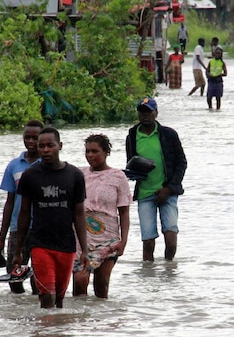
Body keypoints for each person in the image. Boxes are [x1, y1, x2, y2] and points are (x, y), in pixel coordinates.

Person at [13, 127, 89, 309]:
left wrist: (84, 249)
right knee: (47, 295)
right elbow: (24, 213)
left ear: (60, 146)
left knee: (60, 299)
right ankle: (44, 334)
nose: (45, 150)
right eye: (42, 146)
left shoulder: (75, 175)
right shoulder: (30, 176)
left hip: (66, 245)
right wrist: (18, 250)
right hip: (40, 244)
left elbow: (79, 214)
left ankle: (56, 335)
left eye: (50, 146)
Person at [125, 97, 188, 262]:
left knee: (171, 240)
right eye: (142, 112)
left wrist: (169, 188)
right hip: (145, 193)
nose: (145, 116)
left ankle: (169, 270)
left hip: (168, 192)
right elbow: (131, 163)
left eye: (149, 112)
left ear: (156, 113)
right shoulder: (132, 135)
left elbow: (181, 162)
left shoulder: (169, 134)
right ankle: (148, 278)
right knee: (148, 243)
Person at [72, 134, 131, 299]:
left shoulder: (118, 177)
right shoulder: (79, 174)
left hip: (109, 236)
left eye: (95, 151)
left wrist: (123, 241)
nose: (90, 155)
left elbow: (124, 212)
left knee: (102, 283)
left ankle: (102, 320)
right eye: (87, 151)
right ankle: (79, 319)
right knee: (80, 280)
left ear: (106, 152)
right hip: (82, 236)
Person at [0, 119, 44, 293]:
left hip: (41, 228)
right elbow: (9, 202)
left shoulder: (47, 165)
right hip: (18, 228)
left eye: (35, 138)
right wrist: (1, 238)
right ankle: (18, 311)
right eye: (27, 137)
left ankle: (38, 312)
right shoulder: (14, 165)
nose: (31, 141)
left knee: (39, 279)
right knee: (14, 275)